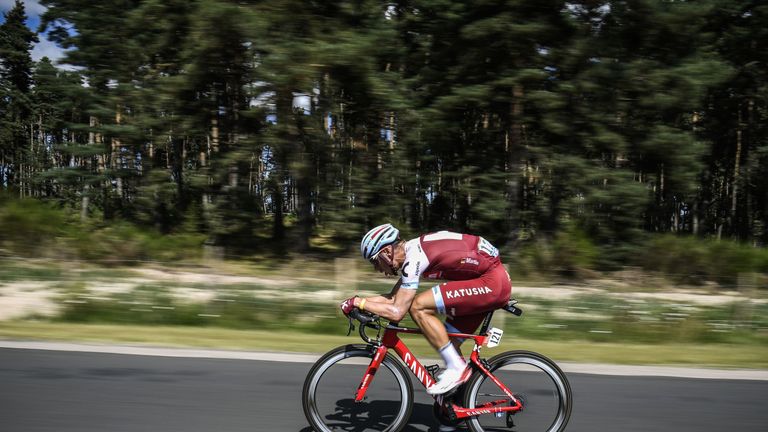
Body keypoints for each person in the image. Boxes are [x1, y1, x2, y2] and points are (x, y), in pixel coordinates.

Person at [340, 223, 512, 396]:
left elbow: (398, 311)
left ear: (386, 253)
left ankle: (457, 368)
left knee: (418, 306)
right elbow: (394, 299)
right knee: (446, 344)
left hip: (492, 282)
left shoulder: (414, 258)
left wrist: (360, 303)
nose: (377, 269)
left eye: (375, 262)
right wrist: (357, 302)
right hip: (489, 280)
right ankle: (459, 404)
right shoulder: (414, 253)